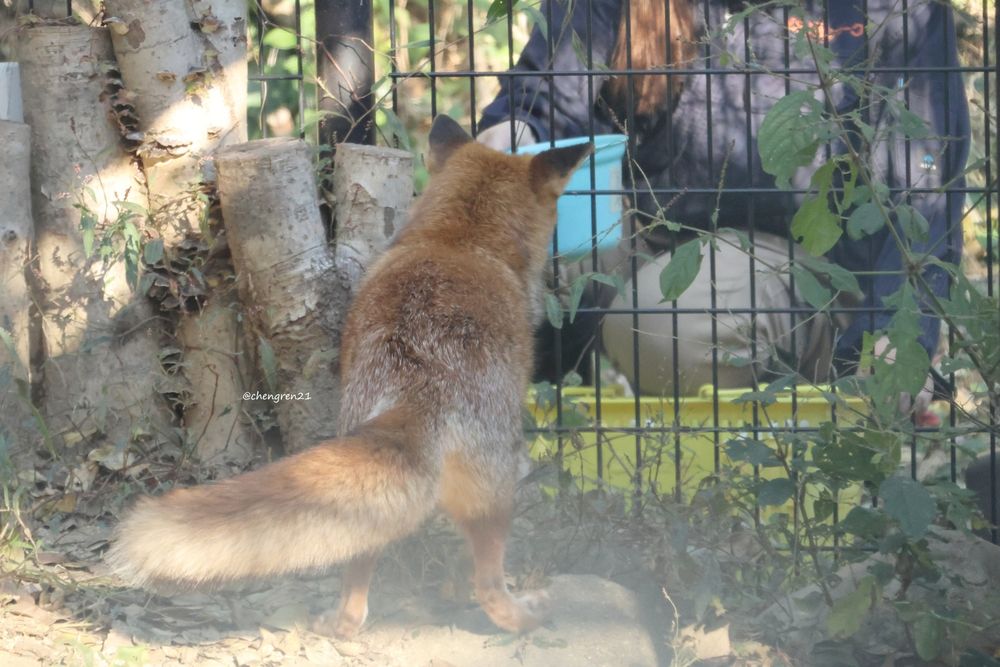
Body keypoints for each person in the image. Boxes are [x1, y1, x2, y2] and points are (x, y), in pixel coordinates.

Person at [477, 0, 970, 419]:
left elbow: (922, 186)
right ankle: (537, 443)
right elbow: (547, 94)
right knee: (498, 255)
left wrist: (897, 333)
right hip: (649, 229)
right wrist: (512, 135)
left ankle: (779, 441)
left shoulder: (895, 10)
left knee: (662, 327)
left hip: (809, 269)